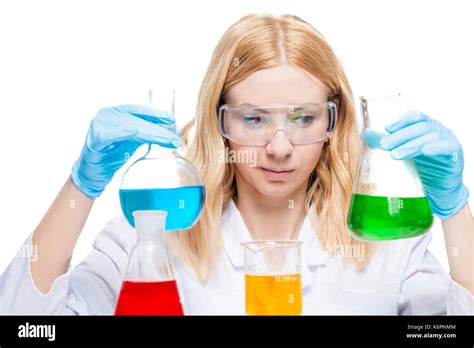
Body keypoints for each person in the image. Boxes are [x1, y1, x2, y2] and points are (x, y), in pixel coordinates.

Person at [0, 14, 472, 315]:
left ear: (336, 120)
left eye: (304, 118)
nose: (280, 147)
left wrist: (455, 210)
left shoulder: (383, 238)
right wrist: (80, 186)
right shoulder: (151, 232)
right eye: (252, 118)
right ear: (218, 121)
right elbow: (26, 327)